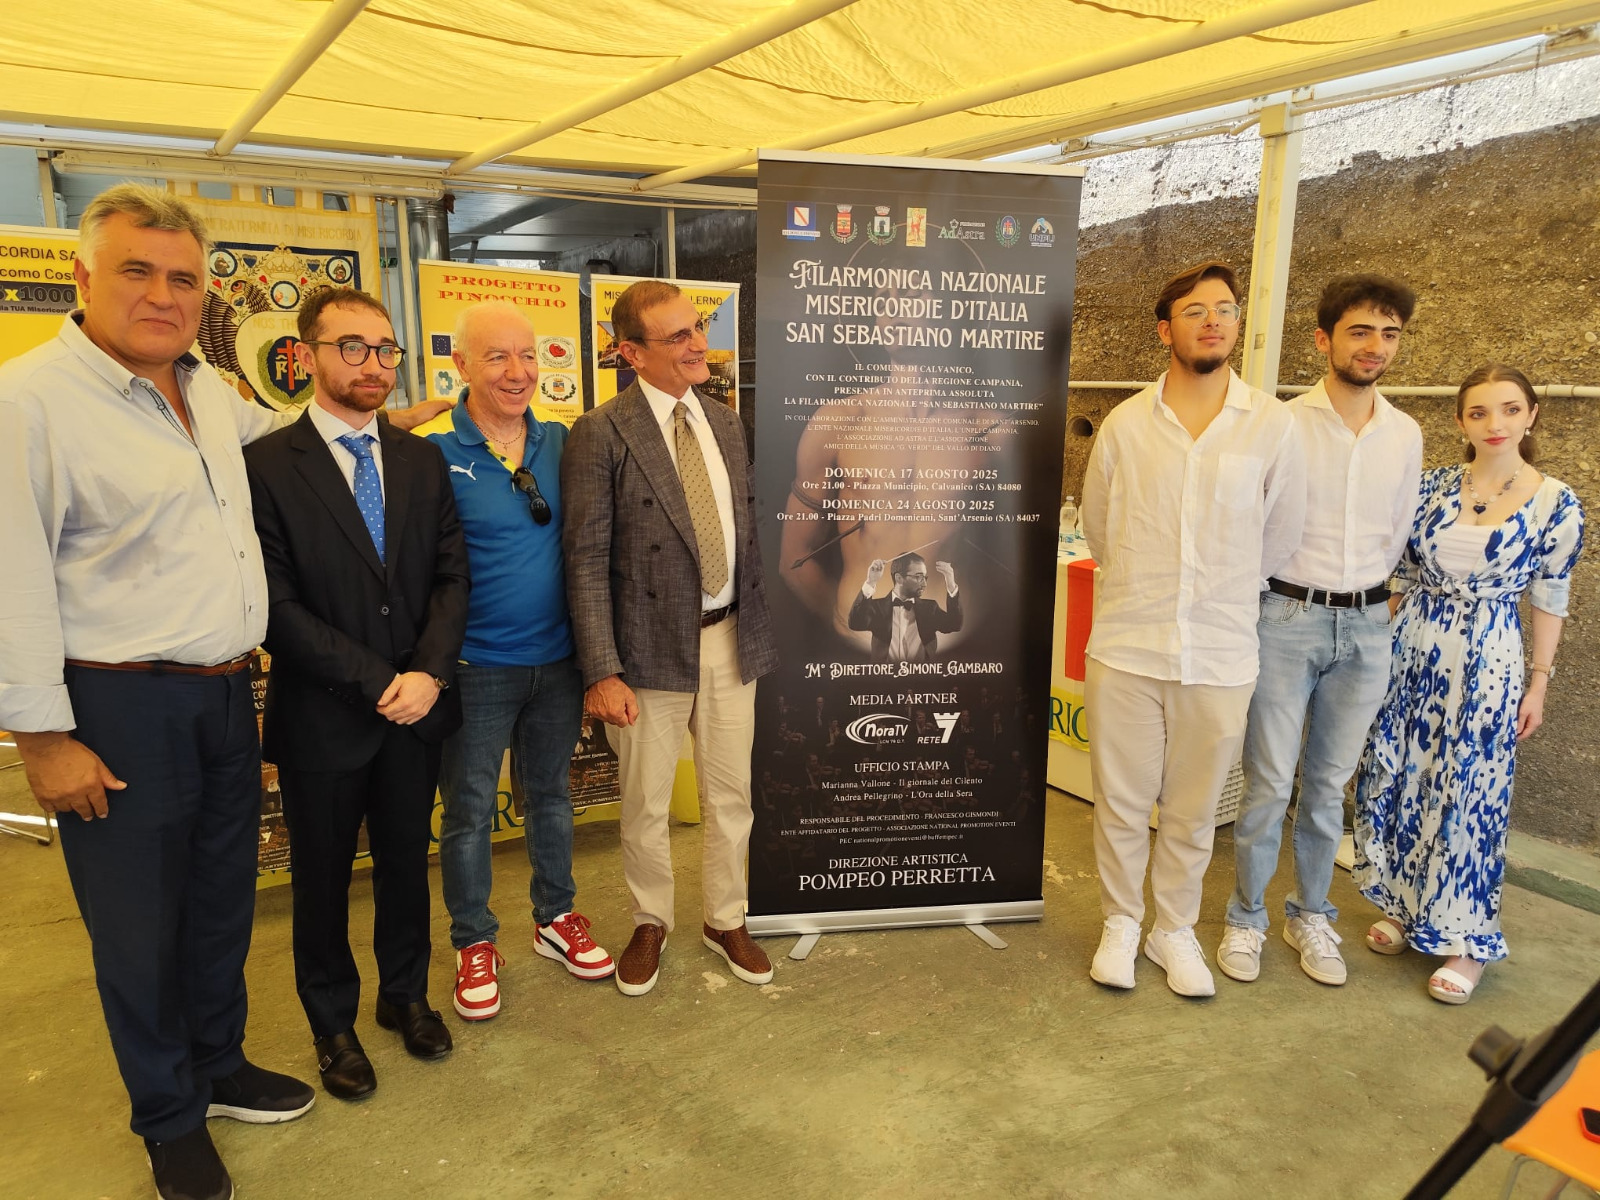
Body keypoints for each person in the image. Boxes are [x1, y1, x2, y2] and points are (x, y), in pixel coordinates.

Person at [0, 183, 315, 1200]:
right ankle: (168, 1117)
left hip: (225, 696)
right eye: (136, 270)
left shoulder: (205, 389)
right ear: (83, 276)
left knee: (222, 904)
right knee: (138, 929)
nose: (163, 294)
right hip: (117, 706)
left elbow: (285, 432)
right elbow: (9, 578)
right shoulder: (29, 403)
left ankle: (218, 1066)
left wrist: (381, 418)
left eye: (183, 278)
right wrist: (43, 739)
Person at [245, 287, 470, 1096]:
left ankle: (403, 996)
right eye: (352, 347)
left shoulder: (420, 459)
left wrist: (429, 673)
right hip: (326, 717)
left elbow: (451, 577)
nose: (373, 364)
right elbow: (274, 606)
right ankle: (332, 1023)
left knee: (408, 865)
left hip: (417, 712)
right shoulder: (268, 465)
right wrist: (381, 682)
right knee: (323, 879)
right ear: (308, 354)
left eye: (385, 349)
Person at [1080, 260, 1305, 999]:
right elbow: (1102, 528)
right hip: (1129, 643)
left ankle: (1171, 929)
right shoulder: (1125, 425)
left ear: (1239, 323)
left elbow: (1279, 536)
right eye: (1195, 310)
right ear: (1164, 329)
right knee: (1121, 801)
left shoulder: (1271, 424)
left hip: (1220, 651)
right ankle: (1121, 921)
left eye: (1226, 309)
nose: (1213, 321)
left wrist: (1220, 592)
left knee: (1193, 809)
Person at [562, 278, 778, 996]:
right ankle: (651, 920)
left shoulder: (725, 424)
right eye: (678, 336)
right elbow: (585, 559)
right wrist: (602, 669)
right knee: (647, 803)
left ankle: (725, 919)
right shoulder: (601, 432)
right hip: (645, 652)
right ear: (630, 352)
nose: (698, 345)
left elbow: (745, 533)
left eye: (697, 328)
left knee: (731, 795)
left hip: (730, 640)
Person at [1352, 363, 1583, 1005]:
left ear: (1531, 416)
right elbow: (1400, 577)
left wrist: (1538, 684)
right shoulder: (1431, 486)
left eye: (1509, 409)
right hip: (1412, 650)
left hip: (1488, 658)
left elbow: (1551, 598)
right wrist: (1367, 649)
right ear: (1460, 421)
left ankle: (1469, 941)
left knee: (1472, 791)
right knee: (1404, 776)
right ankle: (1406, 907)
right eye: (1479, 412)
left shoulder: (1555, 501)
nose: (1494, 424)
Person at [1218, 276, 1422, 987]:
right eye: (1360, 331)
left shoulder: (1404, 433)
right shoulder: (1281, 423)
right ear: (1323, 339)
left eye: (1389, 334)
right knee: (1270, 782)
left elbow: (1397, 531)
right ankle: (1246, 917)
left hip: (1367, 625)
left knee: (1331, 786)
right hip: (1286, 617)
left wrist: (1375, 604)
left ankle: (1310, 915)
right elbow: (1253, 521)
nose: (1375, 346)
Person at [417, 301, 613, 1023]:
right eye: (497, 356)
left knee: (551, 796)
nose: (517, 371)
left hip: (559, 662)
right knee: (469, 811)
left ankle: (555, 917)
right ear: (461, 365)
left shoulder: (565, 443)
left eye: (527, 355)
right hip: (475, 667)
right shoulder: (435, 453)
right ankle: (473, 940)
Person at [847, 553, 963, 662]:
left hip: (922, 676)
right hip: (885, 676)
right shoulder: (876, 608)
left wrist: (951, 584)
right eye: (918, 577)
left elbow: (955, 624)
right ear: (899, 578)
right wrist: (871, 582)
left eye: (924, 577)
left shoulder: (930, 608)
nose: (924, 584)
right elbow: (856, 624)